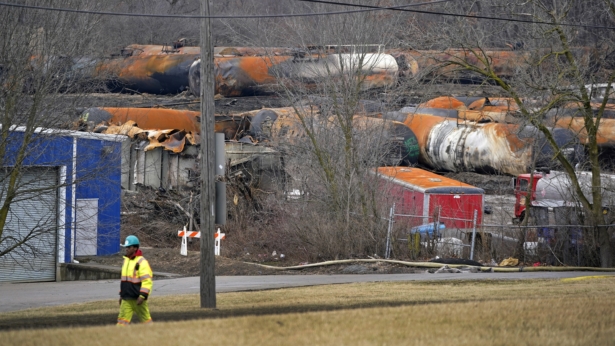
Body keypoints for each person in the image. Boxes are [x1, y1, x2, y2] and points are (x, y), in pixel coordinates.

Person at [117, 235, 153, 326]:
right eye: (126, 247)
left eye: (129, 247)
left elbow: (147, 281)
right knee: (121, 323)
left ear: (135, 248)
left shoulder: (141, 262)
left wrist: (142, 296)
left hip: (138, 299)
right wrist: (121, 295)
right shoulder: (126, 261)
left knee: (146, 322)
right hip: (126, 299)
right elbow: (124, 281)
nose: (127, 249)